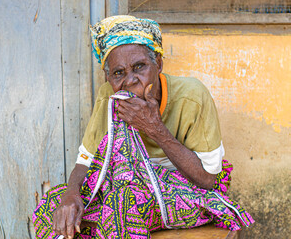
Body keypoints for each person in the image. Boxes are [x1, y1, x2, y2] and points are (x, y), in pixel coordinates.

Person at [33, 15, 254, 239]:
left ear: (158, 63)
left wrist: (154, 128)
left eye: (139, 67)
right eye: (119, 73)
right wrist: (71, 195)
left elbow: (208, 180)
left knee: (122, 205)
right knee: (54, 205)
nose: (130, 80)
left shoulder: (192, 96)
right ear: (107, 77)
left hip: (185, 194)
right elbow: (86, 162)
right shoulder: (109, 97)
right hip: (124, 191)